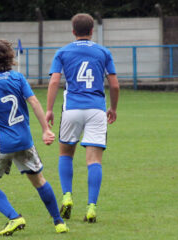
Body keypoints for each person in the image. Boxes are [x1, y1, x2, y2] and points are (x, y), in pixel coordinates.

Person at [0, 39, 69, 236]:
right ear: (9, 57)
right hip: (25, 141)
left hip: (1, 145)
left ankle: (15, 218)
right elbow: (34, 102)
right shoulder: (18, 78)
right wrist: (45, 129)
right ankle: (58, 222)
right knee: (39, 181)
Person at [46, 13, 120, 223]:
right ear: (91, 31)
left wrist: (49, 110)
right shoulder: (103, 52)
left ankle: (67, 196)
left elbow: (53, 82)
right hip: (96, 109)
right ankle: (91, 208)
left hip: (71, 109)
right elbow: (114, 84)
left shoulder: (62, 52)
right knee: (94, 160)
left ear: (73, 31)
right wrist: (113, 108)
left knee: (65, 154)